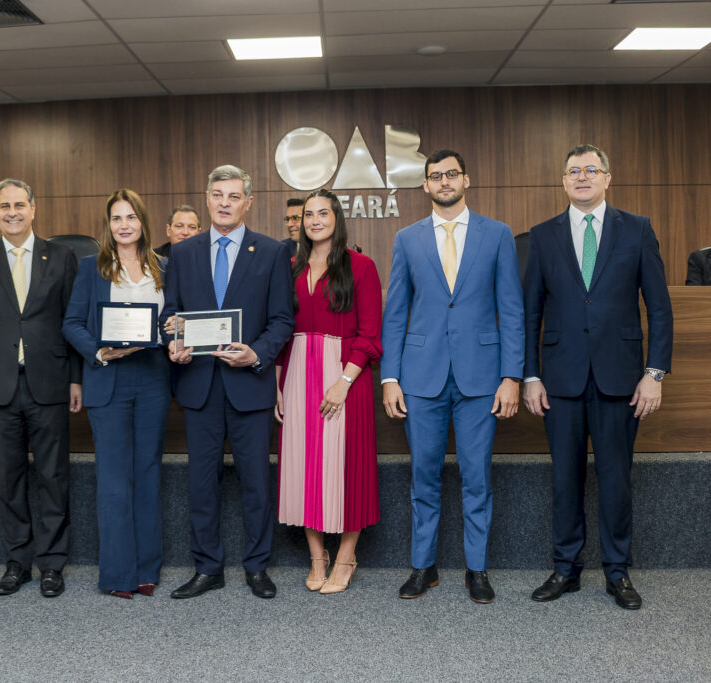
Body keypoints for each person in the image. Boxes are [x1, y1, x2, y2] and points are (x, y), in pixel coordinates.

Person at [523, 144, 673, 610]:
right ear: (563, 181)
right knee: (565, 479)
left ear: (608, 178)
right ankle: (565, 569)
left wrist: (654, 373)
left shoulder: (638, 229)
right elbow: (530, 313)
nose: (582, 177)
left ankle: (617, 571)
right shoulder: (543, 236)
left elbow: (661, 309)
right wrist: (530, 375)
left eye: (591, 170)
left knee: (615, 478)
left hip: (621, 378)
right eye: (573, 171)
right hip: (560, 379)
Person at [381, 149, 524, 604]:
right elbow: (395, 313)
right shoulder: (407, 239)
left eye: (451, 174)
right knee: (423, 475)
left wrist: (511, 377)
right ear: (424, 185)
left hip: (481, 378)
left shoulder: (497, 235)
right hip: (420, 377)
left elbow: (512, 311)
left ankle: (476, 569)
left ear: (466, 179)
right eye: (435, 176)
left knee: (476, 475)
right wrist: (389, 377)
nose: (444, 181)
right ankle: (424, 566)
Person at [161, 164, 294, 599]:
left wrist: (258, 353)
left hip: (249, 386)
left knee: (256, 482)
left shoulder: (272, 252)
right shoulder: (182, 253)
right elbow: (171, 315)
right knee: (201, 483)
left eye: (233, 196)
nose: (224, 202)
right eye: (217, 194)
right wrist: (174, 339)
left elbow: (281, 320)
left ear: (248, 202)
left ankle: (256, 567)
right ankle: (208, 567)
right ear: (207, 197)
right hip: (198, 385)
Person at [0, 178, 82, 598]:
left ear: (34, 208)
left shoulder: (62, 257)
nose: (12, 212)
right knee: (9, 478)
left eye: (20, 205)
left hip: (49, 382)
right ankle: (17, 562)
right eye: (5, 206)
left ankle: (51, 564)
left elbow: (73, 321)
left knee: (52, 475)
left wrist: (77, 378)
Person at [62, 189, 171, 599]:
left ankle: (146, 571)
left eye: (130, 217)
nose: (124, 225)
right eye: (116, 218)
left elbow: (173, 318)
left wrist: (174, 331)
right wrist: (98, 350)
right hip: (109, 378)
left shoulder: (164, 267)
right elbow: (72, 322)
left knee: (147, 475)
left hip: (153, 378)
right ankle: (117, 575)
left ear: (142, 221)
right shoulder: (92, 267)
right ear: (108, 225)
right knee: (112, 480)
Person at [275, 189, 382, 594]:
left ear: (337, 217)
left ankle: (345, 557)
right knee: (303, 467)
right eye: (308, 214)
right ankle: (317, 557)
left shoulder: (361, 266)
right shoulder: (288, 267)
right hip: (298, 372)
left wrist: (344, 381)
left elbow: (371, 333)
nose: (315, 220)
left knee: (346, 468)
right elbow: (281, 330)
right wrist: (278, 384)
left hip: (344, 375)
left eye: (323, 213)